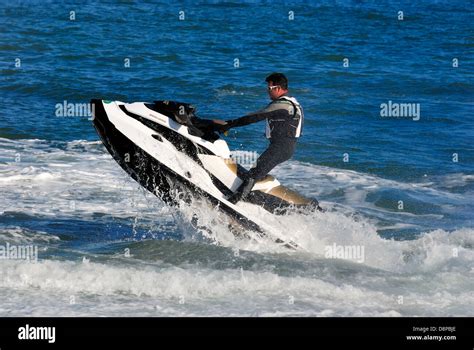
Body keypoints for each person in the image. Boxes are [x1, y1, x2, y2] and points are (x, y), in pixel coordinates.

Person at [213, 72, 304, 204]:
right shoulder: (292, 103)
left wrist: (230, 124)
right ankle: (249, 200)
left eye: (269, 88)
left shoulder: (283, 105)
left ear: (278, 88)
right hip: (284, 147)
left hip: (281, 148)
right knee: (256, 172)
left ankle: (232, 203)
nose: (268, 92)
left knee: (253, 175)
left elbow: (255, 117)